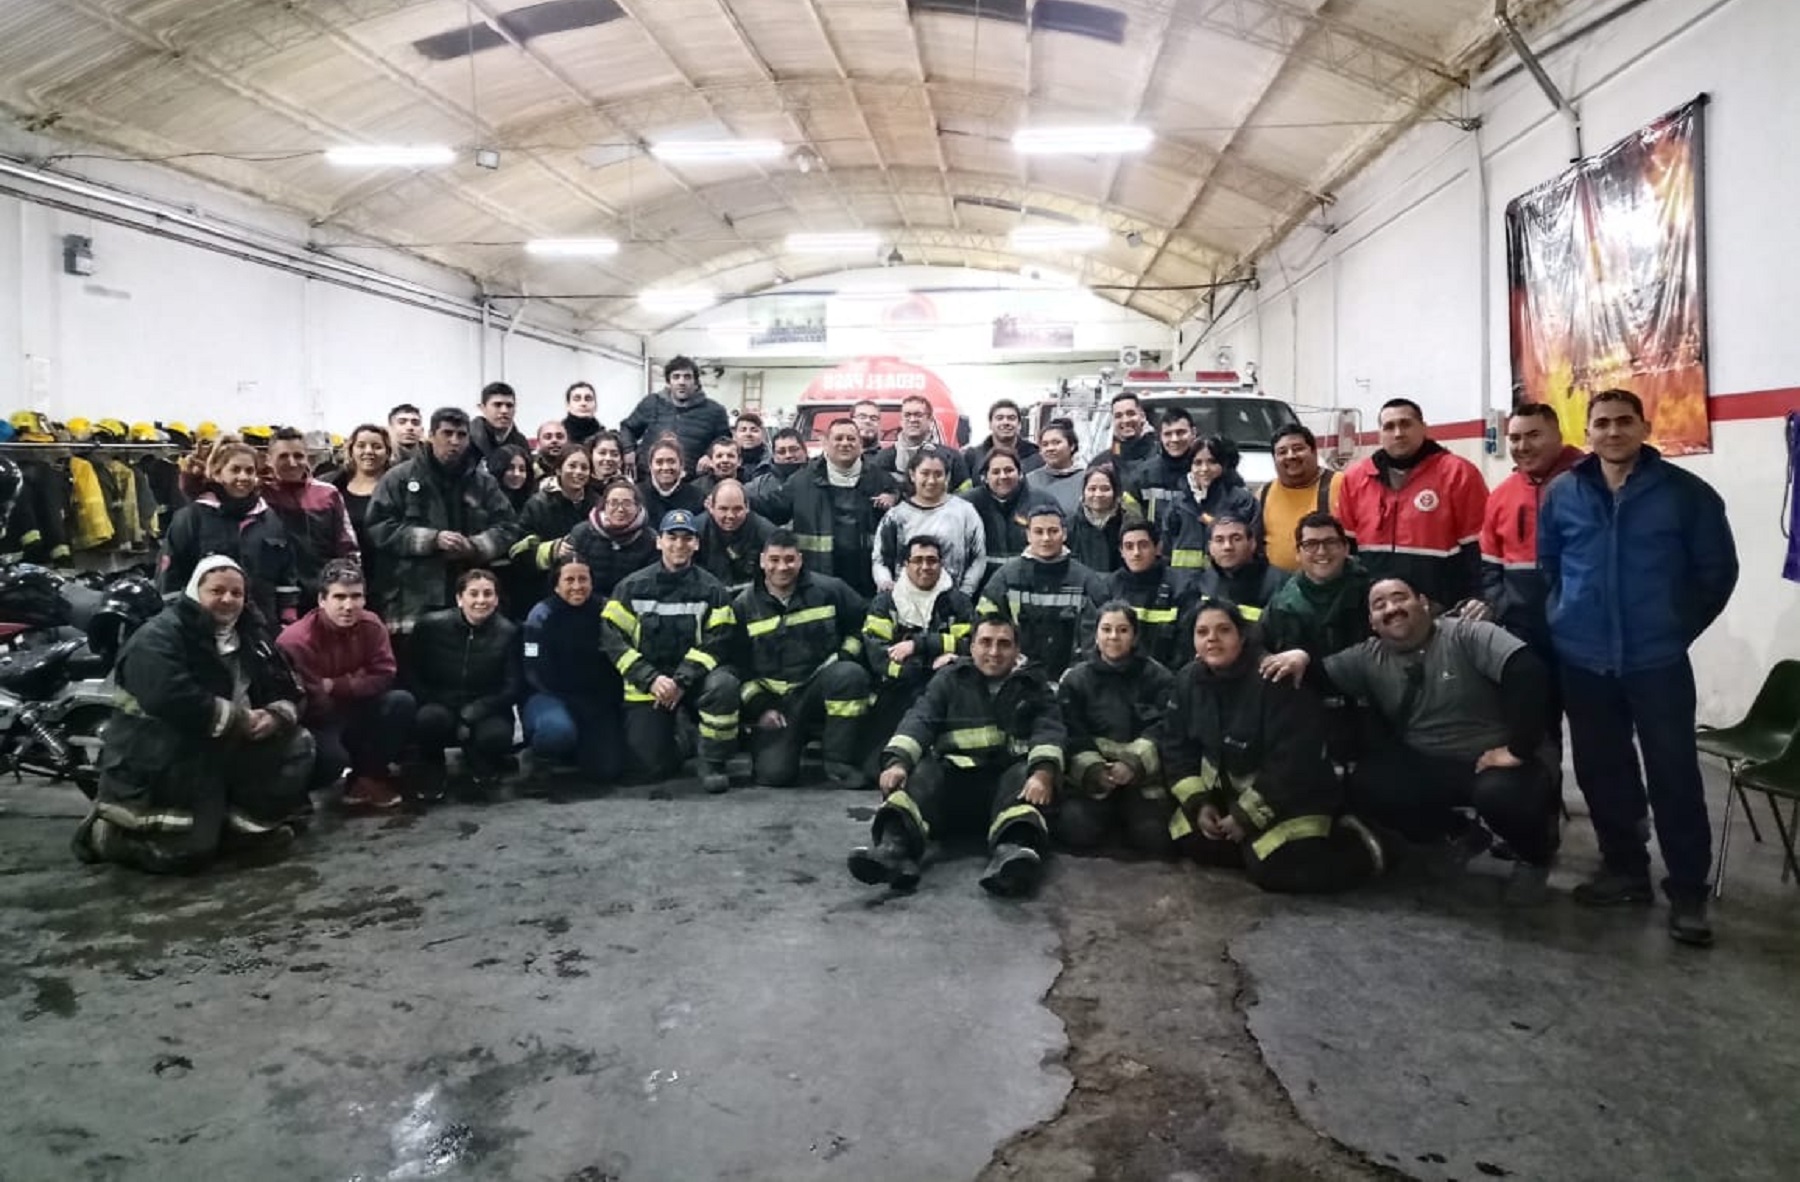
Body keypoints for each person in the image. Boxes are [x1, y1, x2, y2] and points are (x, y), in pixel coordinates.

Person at [1539, 388, 1738, 946]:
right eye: (1601, 423)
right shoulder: (1563, 493)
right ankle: (1625, 869)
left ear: (1644, 427)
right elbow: (1551, 563)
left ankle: (1689, 893)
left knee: (1674, 774)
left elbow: (1716, 573)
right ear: (1589, 430)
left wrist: (1674, 628)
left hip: (1656, 662)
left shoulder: (1686, 495)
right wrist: (1567, 616)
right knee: (1604, 770)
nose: (1612, 432)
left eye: (1624, 422)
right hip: (1583, 658)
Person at [1320, 576, 1560, 905]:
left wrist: (1519, 749)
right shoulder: (1367, 657)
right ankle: (1459, 833)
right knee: (1366, 784)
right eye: (1380, 605)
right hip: (1429, 762)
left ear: (1424, 603)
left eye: (1399, 597)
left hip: (1492, 760)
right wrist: (1297, 658)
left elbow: (1527, 671)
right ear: (1372, 623)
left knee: (1502, 797)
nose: (1391, 608)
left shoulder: (1467, 633)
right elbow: (1318, 677)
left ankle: (1534, 857)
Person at [73, 556, 315, 873]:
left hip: (220, 748)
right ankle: (107, 835)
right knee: (190, 854)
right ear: (194, 592)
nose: (228, 599)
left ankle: (236, 828)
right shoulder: (157, 637)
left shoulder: (252, 634)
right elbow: (171, 697)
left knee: (299, 745)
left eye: (236, 593)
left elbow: (287, 685)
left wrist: (275, 715)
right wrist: (239, 720)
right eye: (217, 590)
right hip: (160, 758)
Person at [1162, 600, 1384, 892]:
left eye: (1223, 630)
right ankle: (1258, 849)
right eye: (1202, 632)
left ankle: (1368, 847)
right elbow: (1176, 746)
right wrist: (1199, 804)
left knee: (1274, 870)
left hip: (1295, 798)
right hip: (1232, 798)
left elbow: (1293, 762)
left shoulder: (1273, 679)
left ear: (1242, 636)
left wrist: (1244, 817)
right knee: (1188, 840)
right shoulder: (1188, 680)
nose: (1212, 639)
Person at [849, 617, 1063, 897]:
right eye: (985, 643)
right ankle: (893, 851)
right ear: (971, 647)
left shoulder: (1033, 684)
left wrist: (1043, 774)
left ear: (1017, 650)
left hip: (1003, 794)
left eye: (1004, 644)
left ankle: (1011, 857)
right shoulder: (950, 679)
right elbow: (921, 719)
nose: (994, 652)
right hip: (951, 793)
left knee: (1022, 775)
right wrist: (897, 763)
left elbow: (1049, 730)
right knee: (921, 772)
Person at [599, 509, 740, 792]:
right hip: (649, 685)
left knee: (724, 685)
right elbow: (612, 640)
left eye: (687, 538)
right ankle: (683, 737)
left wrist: (681, 680)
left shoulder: (712, 590)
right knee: (649, 768)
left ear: (696, 544)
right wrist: (650, 679)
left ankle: (712, 761)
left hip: (694, 682)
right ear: (659, 541)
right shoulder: (631, 587)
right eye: (672, 537)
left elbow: (719, 640)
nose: (679, 545)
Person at [365, 407, 522, 636]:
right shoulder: (398, 478)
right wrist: (431, 540)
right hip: (412, 600)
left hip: (469, 599)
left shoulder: (484, 484)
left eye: (461, 435)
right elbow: (377, 527)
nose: (454, 441)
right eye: (447, 433)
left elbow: (508, 527)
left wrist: (474, 546)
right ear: (430, 435)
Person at [732, 530, 871, 788]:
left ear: (800, 559)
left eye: (789, 559)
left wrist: (845, 656)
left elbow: (862, 624)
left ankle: (838, 762)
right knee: (774, 775)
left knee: (850, 675)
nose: (782, 567)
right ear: (762, 561)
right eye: (774, 560)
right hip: (777, 703)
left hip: (819, 685)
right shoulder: (743, 605)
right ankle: (786, 741)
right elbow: (738, 666)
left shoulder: (831, 590)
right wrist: (761, 707)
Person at [1476, 402, 1583, 733]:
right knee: (1535, 732)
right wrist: (1504, 606)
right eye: (1515, 438)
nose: (1523, 446)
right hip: (1527, 633)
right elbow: (1490, 563)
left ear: (1558, 435)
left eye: (1534, 435)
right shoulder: (1502, 494)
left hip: (1584, 634)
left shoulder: (1590, 482)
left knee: (1598, 737)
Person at [278, 558, 415, 811]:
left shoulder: (372, 625)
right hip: (317, 718)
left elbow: (384, 675)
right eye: (339, 597)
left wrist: (336, 684)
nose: (349, 606)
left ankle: (366, 779)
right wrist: (358, 677)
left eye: (356, 597)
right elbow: (313, 699)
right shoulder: (295, 641)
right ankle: (294, 795)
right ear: (322, 600)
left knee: (400, 703)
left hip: (356, 706)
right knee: (331, 759)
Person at [1335, 398, 1489, 613]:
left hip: (1441, 609)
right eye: (1389, 426)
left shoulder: (1459, 473)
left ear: (1424, 428)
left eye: (1405, 424)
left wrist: (1480, 597)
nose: (1398, 433)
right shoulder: (1355, 478)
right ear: (1379, 433)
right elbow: (1346, 550)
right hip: (1376, 612)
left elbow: (1479, 547)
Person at [1056, 603, 1177, 856]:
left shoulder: (1159, 678)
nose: (1113, 636)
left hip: (1142, 778)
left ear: (1135, 636)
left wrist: (1133, 765)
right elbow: (1071, 731)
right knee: (1075, 829)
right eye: (1106, 629)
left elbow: (1166, 727)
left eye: (1122, 630)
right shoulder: (1075, 680)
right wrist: (1094, 771)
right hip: (1093, 779)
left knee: (1155, 838)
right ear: (1096, 635)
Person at [861, 535, 977, 777]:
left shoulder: (958, 603)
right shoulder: (885, 603)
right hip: (898, 689)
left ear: (941, 564)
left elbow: (972, 646)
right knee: (875, 770)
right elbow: (879, 655)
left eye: (932, 560)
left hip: (948, 690)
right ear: (905, 564)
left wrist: (920, 644)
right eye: (918, 560)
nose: (926, 567)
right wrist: (928, 664)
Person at [159, 440, 301, 631]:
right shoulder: (191, 518)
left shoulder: (270, 520)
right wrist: (178, 625)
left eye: (250, 471)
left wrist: (287, 620)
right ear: (217, 474)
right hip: (204, 628)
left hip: (262, 627)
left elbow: (286, 574)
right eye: (235, 469)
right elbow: (170, 577)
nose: (243, 477)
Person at [406, 569, 521, 801]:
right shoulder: (429, 627)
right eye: (473, 593)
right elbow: (411, 672)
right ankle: (432, 763)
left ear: (496, 599)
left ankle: (479, 756)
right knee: (429, 721)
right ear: (460, 598)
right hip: (439, 702)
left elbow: (513, 686)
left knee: (495, 737)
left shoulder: (509, 633)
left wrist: (474, 711)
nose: (481, 600)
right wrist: (436, 700)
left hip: (485, 706)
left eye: (488, 594)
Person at [764, 417, 895, 597]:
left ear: (860, 444)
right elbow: (772, 509)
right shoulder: (802, 481)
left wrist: (895, 497)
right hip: (817, 582)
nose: (845, 443)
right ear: (825, 443)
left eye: (851, 439)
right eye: (838, 438)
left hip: (867, 583)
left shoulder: (881, 480)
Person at [977, 504, 1108, 683]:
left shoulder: (1087, 582)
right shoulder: (1005, 578)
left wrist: (1078, 672)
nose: (1046, 538)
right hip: (1014, 679)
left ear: (1065, 534)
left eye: (1053, 531)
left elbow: (1101, 637)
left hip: (1074, 684)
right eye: (1039, 532)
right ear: (1028, 535)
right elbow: (983, 626)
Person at [521, 557, 621, 787]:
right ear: (556, 585)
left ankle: (577, 749)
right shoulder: (541, 613)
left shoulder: (606, 610)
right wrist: (563, 699)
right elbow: (532, 669)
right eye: (569, 580)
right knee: (557, 732)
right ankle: (538, 757)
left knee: (607, 771)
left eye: (583, 579)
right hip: (550, 696)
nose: (577, 586)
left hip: (596, 699)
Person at [264, 427, 359, 603]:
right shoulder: (259, 495)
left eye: (298, 456)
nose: (292, 463)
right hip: (272, 596)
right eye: (283, 456)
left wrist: (346, 591)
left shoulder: (327, 494)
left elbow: (347, 548)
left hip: (320, 595)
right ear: (269, 459)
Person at [873, 449, 986, 595]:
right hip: (904, 601)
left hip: (953, 602)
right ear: (913, 475)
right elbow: (880, 559)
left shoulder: (965, 512)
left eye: (938, 474)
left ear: (947, 477)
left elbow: (978, 557)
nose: (931, 481)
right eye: (925, 473)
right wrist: (886, 585)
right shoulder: (896, 516)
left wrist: (965, 592)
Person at [509, 444, 599, 612]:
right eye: (572, 466)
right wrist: (552, 550)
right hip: (545, 593)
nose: (578, 472)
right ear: (558, 469)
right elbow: (519, 553)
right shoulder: (537, 505)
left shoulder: (598, 505)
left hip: (587, 591)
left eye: (584, 467)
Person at [1106, 518, 1196, 668]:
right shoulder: (1110, 587)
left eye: (1143, 545)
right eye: (1129, 547)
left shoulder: (1181, 587)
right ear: (1121, 552)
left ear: (1158, 547)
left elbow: (1185, 646)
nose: (1136, 553)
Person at [620, 356, 731, 474]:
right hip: (648, 479)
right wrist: (628, 450)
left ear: (696, 382)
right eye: (676, 377)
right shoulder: (652, 403)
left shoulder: (715, 411)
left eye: (687, 377)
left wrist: (710, 455)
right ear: (668, 382)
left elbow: (725, 443)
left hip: (693, 482)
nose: (681, 382)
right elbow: (627, 428)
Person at [1166, 435, 1260, 574]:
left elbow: (1254, 543)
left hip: (1229, 585)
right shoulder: (1179, 503)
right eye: (1197, 463)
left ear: (1223, 464)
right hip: (1185, 587)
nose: (1204, 469)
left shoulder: (1242, 500)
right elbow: (1166, 546)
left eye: (1212, 462)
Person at [1260, 424, 1340, 573]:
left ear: (1314, 452)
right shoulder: (1264, 492)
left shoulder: (1340, 484)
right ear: (1274, 459)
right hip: (1277, 590)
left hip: (1329, 587)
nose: (1291, 456)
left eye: (1298, 449)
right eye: (1282, 452)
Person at [566, 478, 658, 597]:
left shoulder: (650, 539)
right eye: (613, 503)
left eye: (627, 503)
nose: (620, 509)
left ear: (638, 507)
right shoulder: (582, 532)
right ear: (604, 506)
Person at [329, 424, 393, 592]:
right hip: (346, 577)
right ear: (351, 450)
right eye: (361, 445)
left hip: (388, 576)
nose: (369, 451)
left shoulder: (397, 487)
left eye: (377, 446)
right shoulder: (334, 487)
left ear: (387, 452)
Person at [1192, 513, 1287, 616]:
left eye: (1236, 539)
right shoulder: (1203, 582)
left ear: (1252, 543)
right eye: (1219, 540)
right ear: (1210, 547)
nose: (1227, 546)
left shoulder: (1280, 584)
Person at [872, 394, 971, 493]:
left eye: (918, 415)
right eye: (907, 415)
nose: (912, 420)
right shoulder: (882, 459)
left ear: (930, 420)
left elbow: (964, 495)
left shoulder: (952, 458)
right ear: (901, 421)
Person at [697, 478, 774, 592]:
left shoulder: (767, 534)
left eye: (737, 509)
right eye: (723, 509)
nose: (730, 515)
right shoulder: (695, 532)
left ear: (747, 507)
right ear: (711, 507)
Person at [1134, 406, 1197, 526]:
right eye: (1168, 434)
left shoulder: (1206, 471)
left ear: (1193, 433)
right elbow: (1133, 519)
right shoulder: (1144, 475)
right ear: (1160, 437)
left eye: (1181, 432)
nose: (1175, 439)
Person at [1067, 464, 1136, 574]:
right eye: (1092, 489)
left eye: (1105, 489)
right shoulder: (1069, 526)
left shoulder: (1129, 525)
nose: (1098, 494)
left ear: (1115, 492)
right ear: (1083, 492)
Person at [963, 399, 1040, 483]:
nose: (1005, 422)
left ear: (1019, 424)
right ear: (990, 424)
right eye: (999, 418)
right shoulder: (973, 456)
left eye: (1011, 418)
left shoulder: (1035, 455)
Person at [1023, 421, 1085, 517]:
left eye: (1056, 443)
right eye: (1045, 444)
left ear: (1072, 446)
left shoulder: (1086, 479)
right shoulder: (1029, 481)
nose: (1050, 448)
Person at [638, 437, 705, 525]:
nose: (665, 467)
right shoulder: (637, 495)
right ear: (650, 466)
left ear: (681, 465)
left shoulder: (697, 497)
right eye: (659, 462)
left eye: (671, 461)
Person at [747, 427, 807, 520]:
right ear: (774, 456)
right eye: (781, 452)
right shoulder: (758, 487)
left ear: (805, 451)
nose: (788, 455)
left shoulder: (821, 479)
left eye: (793, 449)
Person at [469, 381, 529, 457]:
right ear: (482, 408)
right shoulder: (467, 439)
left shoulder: (521, 442)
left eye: (509, 405)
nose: (504, 410)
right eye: (497, 405)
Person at [1108, 393, 1157, 481]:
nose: (1125, 420)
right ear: (1113, 421)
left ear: (1142, 416)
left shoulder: (1161, 456)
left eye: (1131, 414)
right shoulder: (1102, 462)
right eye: (1118, 416)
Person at [486, 443, 536, 516]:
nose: (517, 474)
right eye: (510, 468)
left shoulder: (533, 504)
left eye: (522, 469)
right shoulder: (485, 501)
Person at [563, 381, 603, 446]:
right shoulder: (559, 437)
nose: (583, 403)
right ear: (568, 405)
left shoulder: (604, 438)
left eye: (588, 399)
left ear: (596, 406)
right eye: (577, 399)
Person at [733, 412, 770, 478]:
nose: (748, 434)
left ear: (763, 433)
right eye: (743, 430)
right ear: (735, 434)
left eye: (754, 430)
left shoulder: (773, 462)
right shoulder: (727, 461)